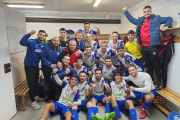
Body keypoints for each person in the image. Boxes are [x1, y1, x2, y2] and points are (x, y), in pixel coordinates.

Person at [123, 6, 173, 90]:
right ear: (143, 13)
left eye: (148, 11)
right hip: (144, 47)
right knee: (149, 66)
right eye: (145, 11)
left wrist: (166, 26)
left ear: (151, 12)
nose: (146, 13)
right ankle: (150, 81)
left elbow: (169, 18)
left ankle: (159, 83)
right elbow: (132, 19)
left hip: (153, 46)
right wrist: (126, 12)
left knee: (156, 65)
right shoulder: (140, 20)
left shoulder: (156, 19)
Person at [19, 30, 46, 109]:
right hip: (29, 66)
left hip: (36, 66)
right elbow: (21, 42)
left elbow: (50, 44)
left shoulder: (43, 44)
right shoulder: (31, 42)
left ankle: (35, 96)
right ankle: (33, 102)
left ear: (45, 37)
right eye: (40, 34)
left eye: (43, 35)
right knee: (31, 84)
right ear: (37, 35)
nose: (41, 36)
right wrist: (29, 34)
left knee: (36, 82)